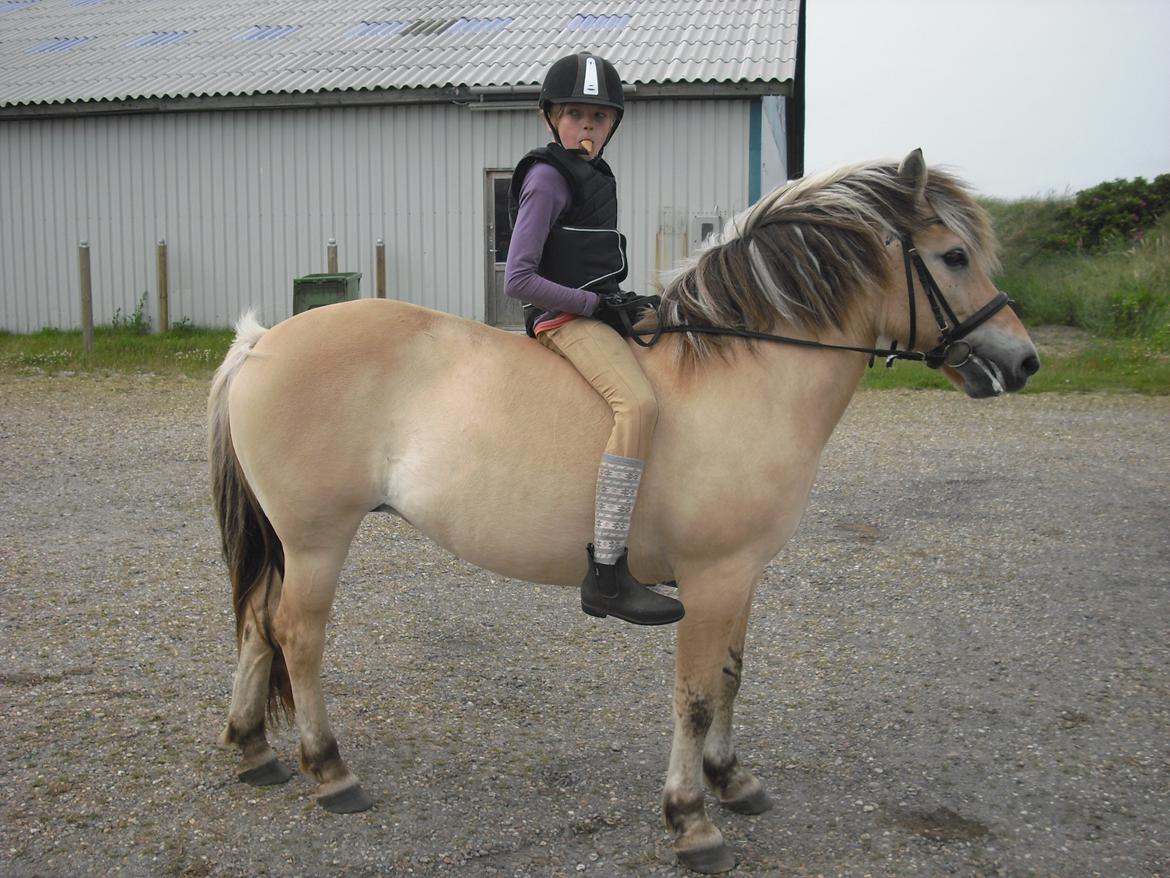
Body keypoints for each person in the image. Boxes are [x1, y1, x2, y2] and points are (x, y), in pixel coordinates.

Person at [505, 52, 684, 627]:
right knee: (638, 403)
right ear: (552, 118)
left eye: (600, 117)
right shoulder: (548, 178)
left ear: (613, 124)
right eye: (576, 114)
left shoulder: (594, 174)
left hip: (595, 309)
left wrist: (621, 300)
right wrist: (595, 305)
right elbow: (519, 279)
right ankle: (606, 570)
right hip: (563, 320)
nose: (587, 126)